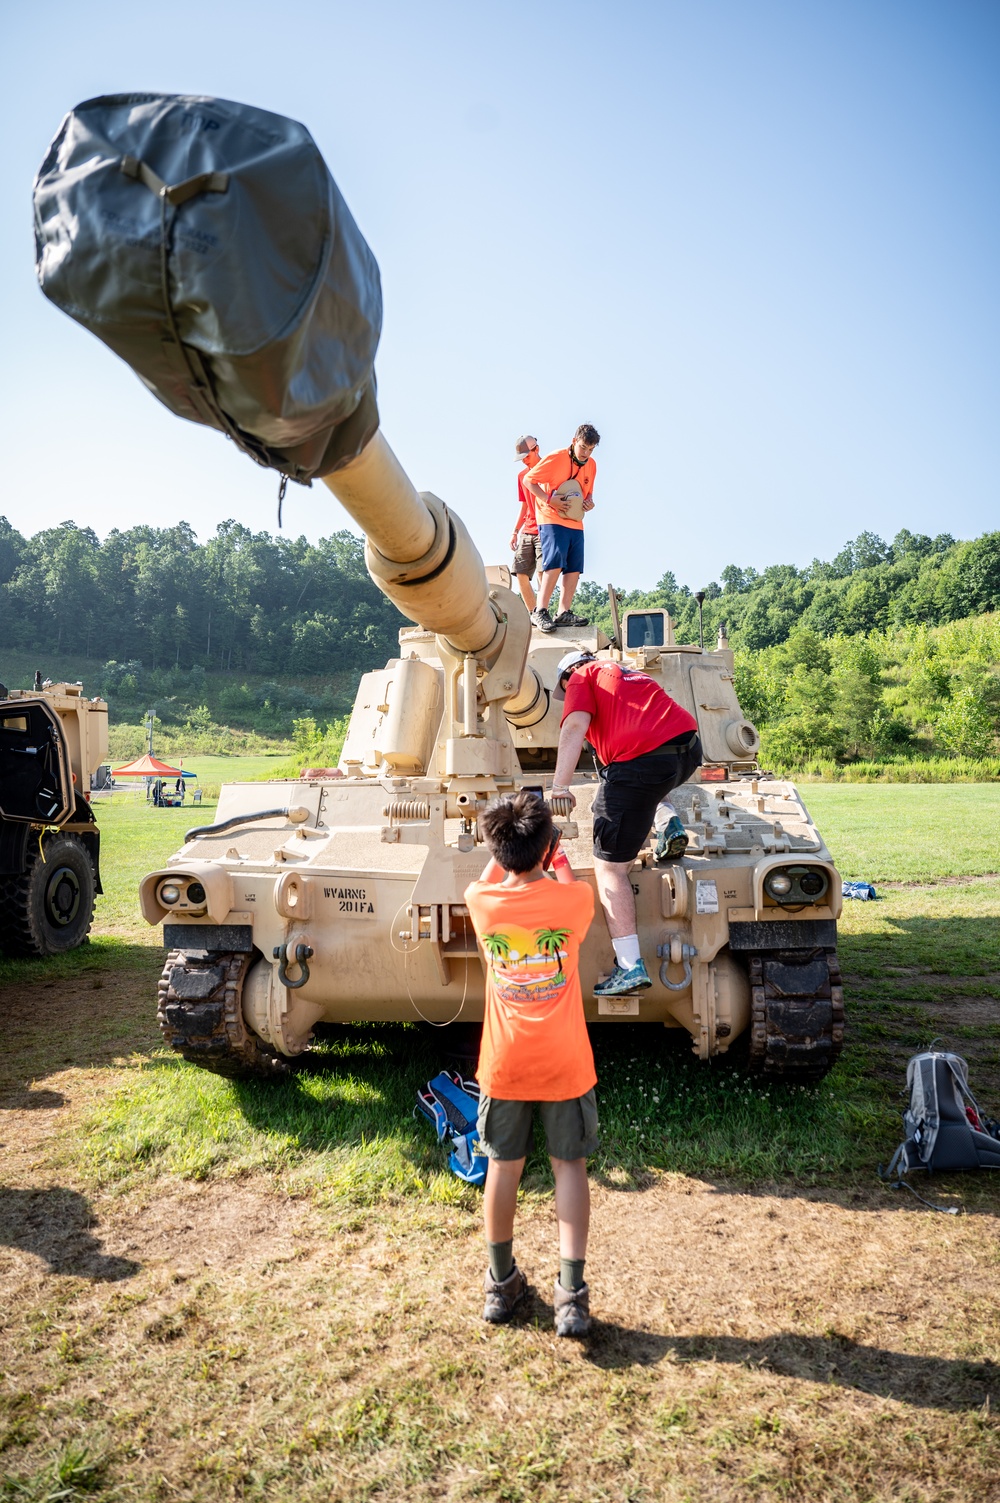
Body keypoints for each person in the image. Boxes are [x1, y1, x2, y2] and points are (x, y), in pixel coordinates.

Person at [464, 790, 597, 1336]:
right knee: (570, 1168)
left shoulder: (482, 901)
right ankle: (571, 1296)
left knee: (502, 1166)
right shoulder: (576, 902)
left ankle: (501, 1286)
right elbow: (563, 884)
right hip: (565, 1060)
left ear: (496, 845)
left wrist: (512, 852)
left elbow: (492, 877)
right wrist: (554, 859)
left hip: (504, 1063)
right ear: (547, 845)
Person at [550, 650, 701, 996]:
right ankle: (669, 823)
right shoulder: (628, 674)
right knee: (649, 788)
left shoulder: (580, 676)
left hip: (638, 761)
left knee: (611, 869)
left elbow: (574, 725)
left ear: (566, 675)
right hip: (687, 750)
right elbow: (652, 729)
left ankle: (630, 966)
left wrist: (560, 786)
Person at [521, 424, 600, 633]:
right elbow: (529, 480)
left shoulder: (591, 465)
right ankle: (540, 610)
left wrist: (589, 502)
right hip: (550, 518)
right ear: (574, 441)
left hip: (575, 520)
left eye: (590, 450)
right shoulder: (556, 458)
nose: (586, 453)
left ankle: (563, 612)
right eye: (583, 447)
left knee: (575, 566)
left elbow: (587, 492)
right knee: (554, 562)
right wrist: (549, 500)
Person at [510, 435, 543, 612]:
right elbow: (524, 506)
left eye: (527, 457)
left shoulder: (549, 470)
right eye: (521, 459)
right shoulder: (522, 476)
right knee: (520, 572)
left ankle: (543, 611)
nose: (524, 462)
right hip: (527, 530)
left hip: (545, 529)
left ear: (536, 449)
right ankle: (533, 613)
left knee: (541, 572)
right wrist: (515, 531)